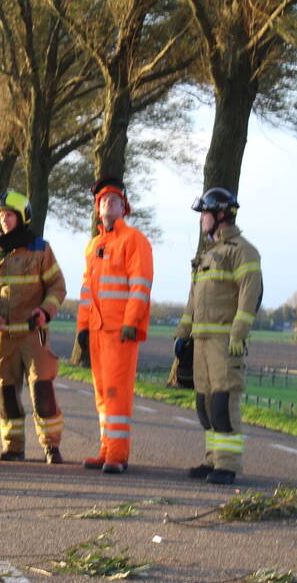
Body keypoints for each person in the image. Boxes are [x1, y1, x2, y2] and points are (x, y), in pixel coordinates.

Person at [173, 187, 263, 485]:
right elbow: (193, 299)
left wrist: (239, 331)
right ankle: (212, 459)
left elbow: (250, 295)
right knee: (205, 405)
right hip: (201, 340)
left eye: (205, 214)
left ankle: (228, 465)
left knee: (224, 404)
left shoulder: (242, 251)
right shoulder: (207, 255)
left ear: (220, 214)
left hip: (225, 341)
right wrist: (183, 334)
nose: (201, 220)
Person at [0, 189, 66, 463]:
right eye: (1, 216)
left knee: (42, 391)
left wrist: (44, 311)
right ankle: (13, 447)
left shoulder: (41, 249)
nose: (4, 220)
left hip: (33, 334)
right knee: (7, 394)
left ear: (22, 217)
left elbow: (57, 286)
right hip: (3, 337)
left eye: (9, 215)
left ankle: (51, 446)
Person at [77, 177, 154, 474]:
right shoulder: (94, 245)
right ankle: (105, 449)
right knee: (102, 393)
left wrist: (131, 322)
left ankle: (118, 455)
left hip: (121, 331)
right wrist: (82, 327)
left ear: (125, 208)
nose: (109, 203)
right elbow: (87, 290)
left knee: (117, 392)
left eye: (115, 200)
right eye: (104, 201)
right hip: (98, 330)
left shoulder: (134, 240)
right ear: (98, 210)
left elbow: (140, 285)